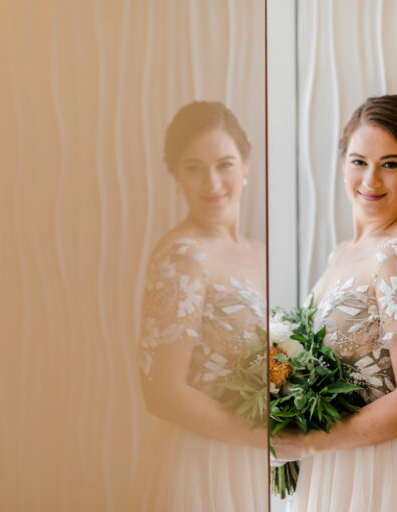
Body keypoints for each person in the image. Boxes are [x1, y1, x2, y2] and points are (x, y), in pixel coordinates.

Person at [272, 95, 397, 511]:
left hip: (383, 474)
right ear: (343, 161)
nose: (371, 181)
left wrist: (306, 445)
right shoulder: (344, 252)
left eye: (391, 164)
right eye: (360, 161)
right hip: (337, 466)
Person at [132, 101, 268, 511]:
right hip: (205, 466)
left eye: (224, 164)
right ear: (176, 175)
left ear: (245, 165)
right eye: (194, 168)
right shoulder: (182, 256)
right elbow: (162, 392)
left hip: (259, 463)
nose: (212, 182)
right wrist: (264, 437)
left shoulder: (263, 254)